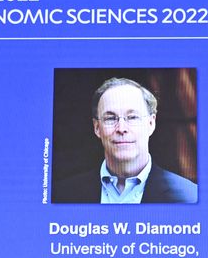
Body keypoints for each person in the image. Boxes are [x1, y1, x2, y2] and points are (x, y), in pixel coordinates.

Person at [53, 77, 197, 204]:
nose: (121, 128)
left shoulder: (190, 197)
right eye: (110, 118)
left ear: (151, 124)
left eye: (133, 117)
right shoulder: (61, 195)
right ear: (97, 128)